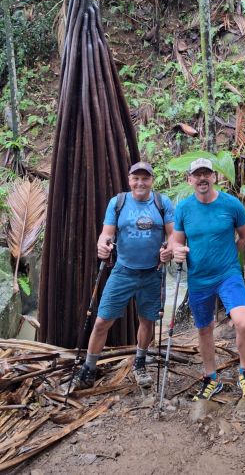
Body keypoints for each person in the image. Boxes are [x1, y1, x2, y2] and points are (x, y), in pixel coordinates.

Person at [71, 161, 174, 390]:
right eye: (136, 178)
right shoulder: (117, 202)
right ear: (129, 180)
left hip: (152, 273)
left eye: (144, 178)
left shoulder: (162, 202)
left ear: (151, 180)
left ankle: (140, 363)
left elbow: (173, 234)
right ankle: (89, 368)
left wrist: (169, 249)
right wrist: (102, 246)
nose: (140, 182)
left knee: (147, 321)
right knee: (101, 321)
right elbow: (105, 234)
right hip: (123, 271)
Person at [170, 158, 245, 400]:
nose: (202, 178)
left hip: (227, 274)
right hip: (199, 278)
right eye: (197, 174)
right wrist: (177, 250)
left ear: (214, 177)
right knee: (204, 329)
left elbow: (244, 235)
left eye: (206, 174)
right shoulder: (183, 208)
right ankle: (211, 378)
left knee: (243, 322)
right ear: (189, 180)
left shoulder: (231, 205)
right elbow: (176, 240)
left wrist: (231, 256)